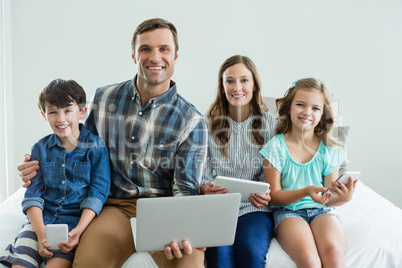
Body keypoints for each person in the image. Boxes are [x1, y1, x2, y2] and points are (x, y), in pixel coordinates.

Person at [16, 18, 207, 267]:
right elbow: (80, 149)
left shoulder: (192, 120)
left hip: (165, 210)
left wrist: (181, 226)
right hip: (116, 207)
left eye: (164, 49)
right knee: (89, 263)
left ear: (176, 56)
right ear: (134, 55)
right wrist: (40, 165)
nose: (155, 57)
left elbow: (185, 190)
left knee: (189, 263)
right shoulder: (105, 98)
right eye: (145, 49)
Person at [0, 79, 111, 268]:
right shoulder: (40, 148)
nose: (61, 119)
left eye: (68, 110)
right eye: (53, 112)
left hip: (71, 227)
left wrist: (79, 230)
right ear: (44, 115)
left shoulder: (96, 147)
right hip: (40, 223)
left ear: (82, 111)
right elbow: (33, 194)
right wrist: (41, 232)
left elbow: (97, 193)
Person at [259, 78, 358, 267]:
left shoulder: (329, 150)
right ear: (289, 108)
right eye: (300, 105)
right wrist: (306, 191)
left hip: (322, 211)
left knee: (333, 253)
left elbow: (327, 198)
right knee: (309, 259)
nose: (307, 112)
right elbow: (275, 197)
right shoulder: (275, 148)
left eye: (315, 108)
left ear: (323, 114)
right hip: (288, 213)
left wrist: (344, 198)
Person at [200, 55, 276, 267]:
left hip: (254, 208)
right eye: (230, 81)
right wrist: (204, 188)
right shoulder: (205, 123)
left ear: (254, 84)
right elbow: (202, 171)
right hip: (217, 206)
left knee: (251, 253)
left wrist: (265, 191)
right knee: (220, 258)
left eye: (244, 80)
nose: (237, 87)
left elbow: (271, 173)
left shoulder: (272, 124)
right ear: (222, 86)